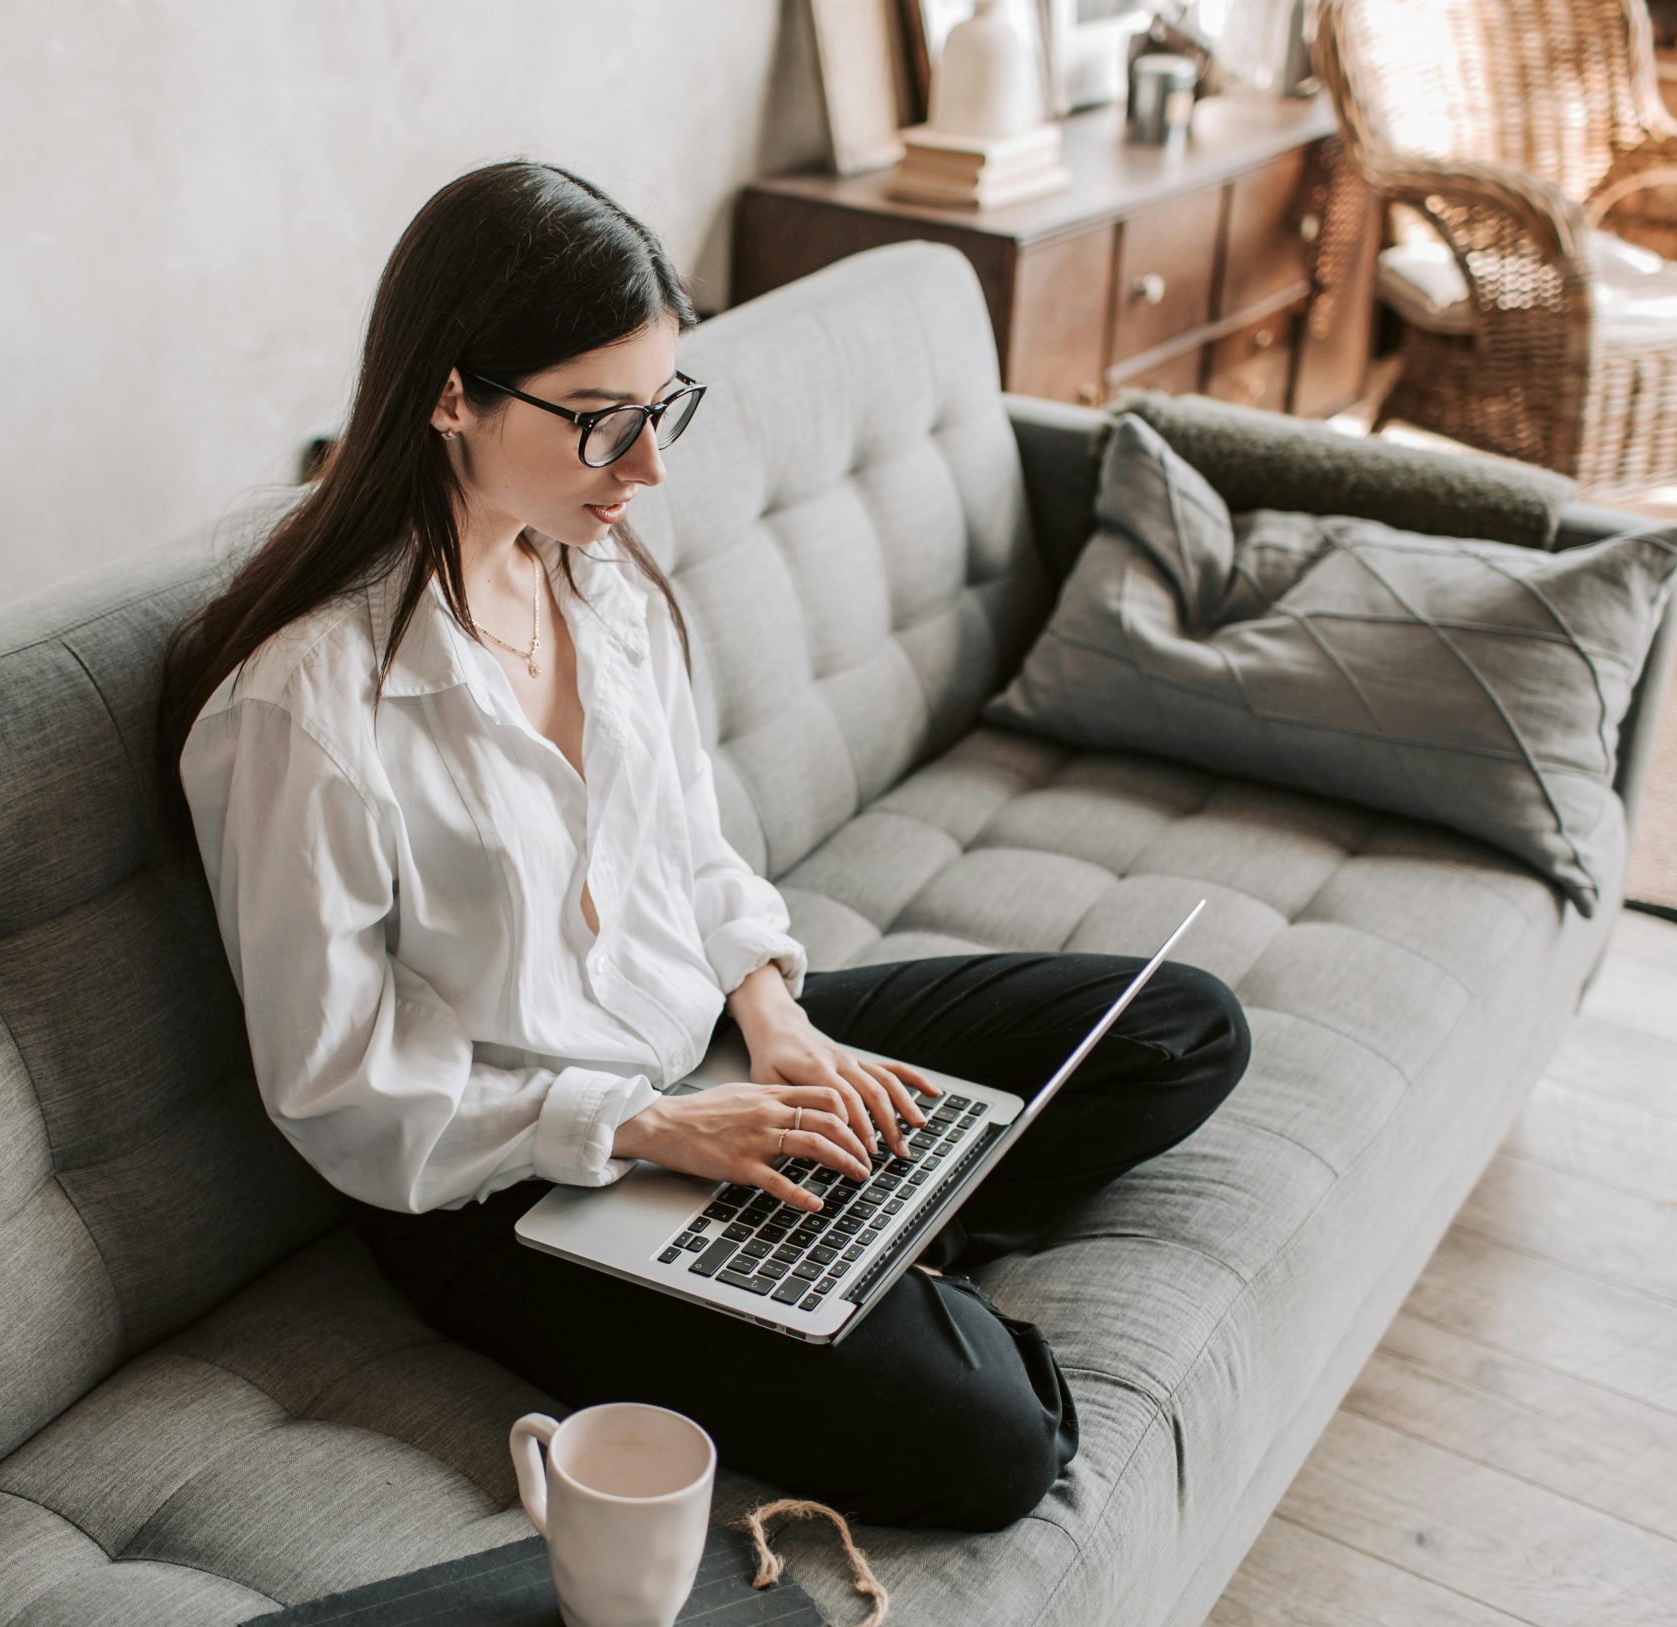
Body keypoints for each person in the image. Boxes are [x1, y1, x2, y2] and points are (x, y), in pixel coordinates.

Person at [157, 161, 1250, 1532]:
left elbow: (692, 847)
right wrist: (657, 1130)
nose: (652, 466)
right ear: (452, 395)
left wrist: (778, 1020)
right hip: (510, 1182)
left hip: (707, 1057)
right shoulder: (304, 708)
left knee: (1181, 1029)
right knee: (995, 1450)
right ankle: (864, 1247)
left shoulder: (594, 576)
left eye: (662, 408)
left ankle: (851, 1228)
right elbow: (342, 1089)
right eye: (607, 422)